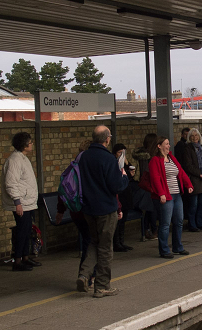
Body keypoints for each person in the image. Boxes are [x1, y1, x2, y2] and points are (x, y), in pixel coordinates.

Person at [76, 125, 128, 298]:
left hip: (88, 208)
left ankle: (84, 275)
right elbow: (116, 186)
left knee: (93, 242)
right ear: (107, 139)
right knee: (105, 248)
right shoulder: (107, 159)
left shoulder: (84, 157)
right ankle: (102, 286)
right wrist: (124, 177)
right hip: (106, 208)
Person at [56, 140, 95, 285]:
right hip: (91, 210)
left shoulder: (73, 166)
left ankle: (86, 275)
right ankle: (87, 275)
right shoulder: (92, 166)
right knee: (93, 243)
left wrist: (60, 211)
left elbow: (64, 189)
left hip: (76, 212)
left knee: (87, 240)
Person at [2, 132, 41, 271]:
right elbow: (11, 183)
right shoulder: (15, 160)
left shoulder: (23, 158)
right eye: (30, 143)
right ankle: (17, 261)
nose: (31, 145)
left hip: (27, 202)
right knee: (22, 231)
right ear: (24, 145)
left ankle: (25, 257)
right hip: (21, 203)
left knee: (26, 231)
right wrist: (17, 202)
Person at [149, 136, 193, 258]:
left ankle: (177, 247)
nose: (169, 146)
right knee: (165, 223)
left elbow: (181, 172)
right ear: (159, 146)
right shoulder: (155, 160)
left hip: (177, 194)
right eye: (166, 144)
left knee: (179, 221)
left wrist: (188, 184)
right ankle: (164, 250)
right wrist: (161, 193)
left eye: (169, 144)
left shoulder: (172, 158)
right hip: (166, 196)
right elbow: (155, 178)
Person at [182, 128, 202, 231]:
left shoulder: (201, 149)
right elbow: (188, 165)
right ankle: (192, 224)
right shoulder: (188, 149)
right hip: (194, 179)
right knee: (193, 204)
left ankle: (200, 222)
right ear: (189, 137)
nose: (195, 138)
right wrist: (200, 174)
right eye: (192, 136)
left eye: (196, 136)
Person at [132, 133, 159, 241]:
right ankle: (152, 230)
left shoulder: (146, 154)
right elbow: (145, 172)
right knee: (150, 208)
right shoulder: (145, 156)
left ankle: (149, 230)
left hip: (147, 185)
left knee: (149, 209)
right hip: (146, 186)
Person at [112, 143, 135, 252]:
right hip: (119, 195)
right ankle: (116, 243)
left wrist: (127, 162)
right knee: (118, 220)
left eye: (123, 153)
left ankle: (121, 241)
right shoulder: (114, 163)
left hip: (126, 194)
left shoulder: (124, 163)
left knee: (123, 219)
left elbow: (129, 176)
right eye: (120, 152)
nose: (121, 155)